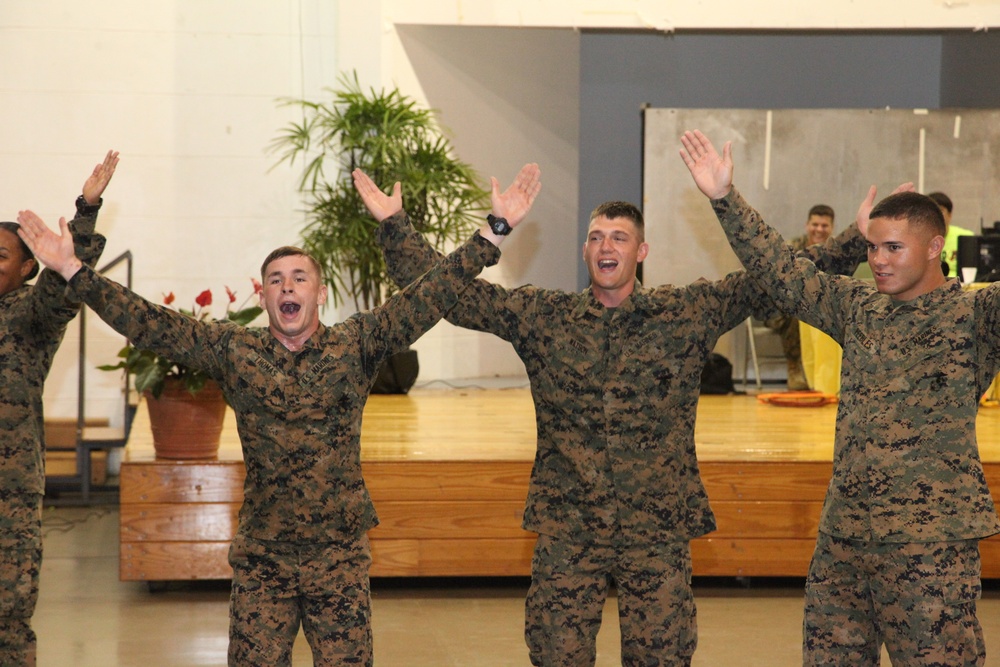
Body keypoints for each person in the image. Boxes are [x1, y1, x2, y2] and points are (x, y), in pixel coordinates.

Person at [363, 163, 870, 666]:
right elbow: (444, 296)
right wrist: (399, 227)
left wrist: (855, 240)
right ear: (585, 250)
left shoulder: (686, 312)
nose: (607, 247)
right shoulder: (545, 317)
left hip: (657, 531)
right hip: (569, 528)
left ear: (641, 252)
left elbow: (781, 281)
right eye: (597, 237)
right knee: (556, 655)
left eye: (620, 238)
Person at [16, 170, 522, 667]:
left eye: (300, 278)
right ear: (263, 298)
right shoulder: (235, 350)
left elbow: (429, 295)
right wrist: (74, 272)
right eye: (276, 280)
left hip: (338, 556)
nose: (288, 287)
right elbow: (150, 323)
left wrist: (491, 232)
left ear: (319, 294)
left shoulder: (357, 344)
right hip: (264, 558)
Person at [680, 129, 999, 666]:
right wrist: (724, 199)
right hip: (844, 541)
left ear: (933, 247)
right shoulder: (858, 307)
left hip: (930, 548)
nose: (877, 259)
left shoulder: (974, 315)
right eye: (872, 247)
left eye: (893, 247)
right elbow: (782, 273)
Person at [0, 149, 118, 665]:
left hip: (8, 495)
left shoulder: (28, 315)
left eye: (0, 255)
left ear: (27, 267)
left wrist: (86, 209)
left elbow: (62, 290)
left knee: (7, 621)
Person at [764, 204, 836, 390]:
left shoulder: (835, 252)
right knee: (797, 313)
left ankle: (830, 376)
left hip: (821, 307)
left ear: (832, 228)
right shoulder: (792, 248)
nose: (819, 229)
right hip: (783, 307)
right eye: (815, 224)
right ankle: (794, 368)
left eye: (824, 225)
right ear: (807, 225)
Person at [928, 191, 975, 278]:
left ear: (949, 215)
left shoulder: (967, 237)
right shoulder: (919, 238)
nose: (936, 215)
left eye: (940, 210)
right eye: (932, 211)